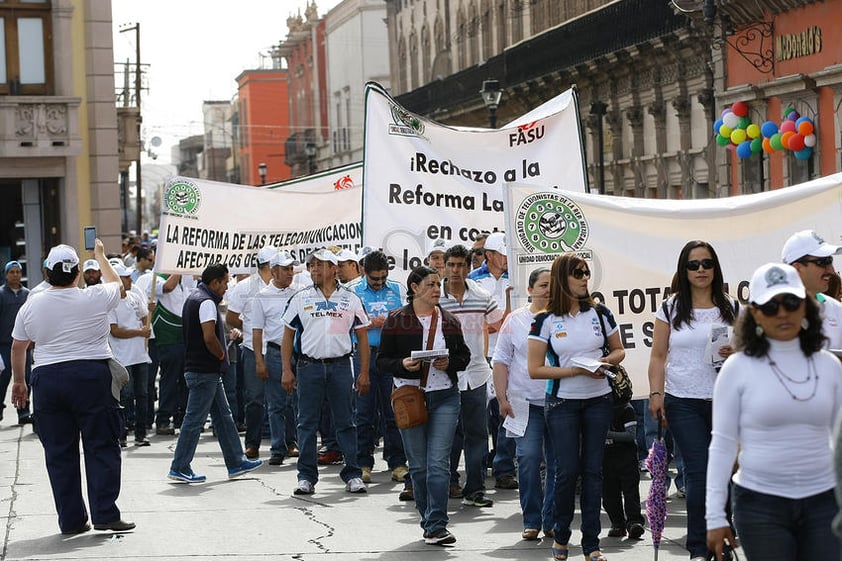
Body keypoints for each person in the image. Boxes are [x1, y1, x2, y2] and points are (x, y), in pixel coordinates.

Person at [706, 262, 842, 561]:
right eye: (770, 306)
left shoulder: (829, 366)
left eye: (791, 302)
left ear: (805, 306)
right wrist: (715, 516)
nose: (782, 313)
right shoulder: (737, 369)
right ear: (754, 312)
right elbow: (723, 444)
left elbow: (840, 442)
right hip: (759, 506)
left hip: (825, 504)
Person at [10, 241, 134, 534]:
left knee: (59, 453)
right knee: (101, 446)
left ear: (46, 273)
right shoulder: (95, 297)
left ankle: (72, 520)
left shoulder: (32, 303)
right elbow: (119, 285)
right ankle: (104, 514)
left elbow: (19, 346)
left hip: (48, 380)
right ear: (78, 273)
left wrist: (19, 382)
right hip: (91, 377)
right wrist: (101, 257)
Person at [527, 252, 624, 561]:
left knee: (593, 472)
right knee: (567, 472)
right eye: (578, 273)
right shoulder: (545, 320)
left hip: (599, 399)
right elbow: (535, 369)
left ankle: (591, 544)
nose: (585, 278)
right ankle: (562, 536)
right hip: (562, 403)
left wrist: (605, 362)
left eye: (586, 273)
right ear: (562, 279)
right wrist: (576, 370)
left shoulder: (600, 313)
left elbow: (619, 350)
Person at [647, 240, 738, 561]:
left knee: (724, 471)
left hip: (725, 400)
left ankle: (722, 540)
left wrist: (737, 350)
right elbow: (658, 356)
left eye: (706, 263)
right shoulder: (670, 308)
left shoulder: (731, 307)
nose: (701, 270)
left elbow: (749, 353)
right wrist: (656, 394)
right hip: (682, 400)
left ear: (716, 268)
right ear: (683, 270)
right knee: (700, 471)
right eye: (693, 265)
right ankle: (700, 548)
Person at [377, 265, 471, 545]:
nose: (435, 290)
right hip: (410, 396)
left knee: (439, 463)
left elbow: (464, 356)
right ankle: (428, 519)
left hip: (444, 396)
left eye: (438, 285)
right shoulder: (396, 320)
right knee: (418, 466)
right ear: (414, 287)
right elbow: (382, 360)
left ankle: (437, 524)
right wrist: (403, 365)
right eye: (430, 285)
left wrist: (449, 362)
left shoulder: (450, 320)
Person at [281, 248, 371, 496]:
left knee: (346, 422)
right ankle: (306, 477)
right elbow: (287, 335)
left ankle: (352, 474)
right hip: (308, 367)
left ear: (334, 268)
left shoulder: (351, 299)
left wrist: (364, 372)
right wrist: (286, 370)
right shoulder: (301, 298)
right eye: (312, 266)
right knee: (306, 424)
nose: (315, 270)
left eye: (321, 265)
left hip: (342, 366)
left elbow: (362, 336)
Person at [167, 263, 263, 483]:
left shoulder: (194, 298)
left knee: (224, 418)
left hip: (204, 371)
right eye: (225, 282)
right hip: (204, 371)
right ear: (215, 282)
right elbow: (209, 337)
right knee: (194, 420)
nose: (227, 287)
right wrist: (221, 355)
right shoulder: (206, 302)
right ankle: (179, 466)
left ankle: (236, 462)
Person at [492, 267, 556, 540]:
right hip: (523, 403)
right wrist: (502, 397)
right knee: (528, 459)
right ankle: (532, 519)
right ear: (529, 290)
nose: (548, 290)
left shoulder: (564, 317)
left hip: (560, 403)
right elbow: (501, 361)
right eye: (543, 285)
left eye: (552, 285)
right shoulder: (515, 321)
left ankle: (552, 519)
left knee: (558, 464)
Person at [439, 244, 504, 507]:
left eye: (460, 265)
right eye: (451, 265)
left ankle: (475, 489)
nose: (455, 270)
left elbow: (502, 323)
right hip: (442, 374)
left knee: (477, 433)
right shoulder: (434, 296)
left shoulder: (481, 295)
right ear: (444, 266)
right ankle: (446, 482)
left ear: (468, 267)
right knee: (446, 433)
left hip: (476, 372)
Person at [346, 250, 410, 492]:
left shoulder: (397, 289)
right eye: (375, 279)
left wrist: (392, 322)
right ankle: (363, 462)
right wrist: (370, 323)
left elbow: (407, 318)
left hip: (390, 356)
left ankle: (397, 462)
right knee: (363, 412)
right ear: (364, 272)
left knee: (393, 410)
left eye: (383, 277)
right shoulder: (352, 290)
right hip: (362, 355)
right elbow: (343, 324)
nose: (380, 282)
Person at [468, 231, 516, 490]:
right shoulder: (473, 281)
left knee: (505, 410)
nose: (507, 260)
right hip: (481, 353)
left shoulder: (516, 277)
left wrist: (498, 325)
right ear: (489, 255)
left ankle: (504, 467)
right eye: (502, 255)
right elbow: (480, 322)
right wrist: (495, 325)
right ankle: (481, 463)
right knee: (481, 416)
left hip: (509, 354)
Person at [226, 246, 275, 459]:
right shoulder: (243, 287)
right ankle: (252, 443)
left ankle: (286, 442)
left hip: (277, 348)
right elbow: (231, 317)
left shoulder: (286, 287)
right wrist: (251, 327)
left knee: (285, 397)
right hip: (251, 349)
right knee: (254, 398)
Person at [252, 250, 299, 465]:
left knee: (295, 402)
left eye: (292, 269)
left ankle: (292, 442)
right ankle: (277, 447)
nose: (290, 273)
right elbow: (257, 331)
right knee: (277, 403)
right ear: (273, 271)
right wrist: (259, 361)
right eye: (286, 269)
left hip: (299, 353)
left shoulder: (299, 293)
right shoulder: (262, 296)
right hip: (274, 353)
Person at [108, 264, 152, 446]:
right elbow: (115, 331)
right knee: (126, 396)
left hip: (140, 355)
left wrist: (150, 312)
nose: (129, 279)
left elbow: (144, 316)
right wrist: (139, 332)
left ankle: (141, 434)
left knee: (143, 394)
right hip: (123, 358)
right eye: (125, 277)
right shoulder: (111, 303)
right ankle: (122, 434)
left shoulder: (134, 296)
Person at [781, 229, 842, 347]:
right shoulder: (769, 313)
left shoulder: (836, 309)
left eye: (830, 260)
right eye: (823, 262)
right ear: (797, 268)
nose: (832, 271)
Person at [602, 400, 645, 540]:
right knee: (609, 494)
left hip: (626, 456)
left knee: (630, 491)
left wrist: (607, 433)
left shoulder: (626, 409)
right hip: (605, 457)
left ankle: (634, 522)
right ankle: (617, 523)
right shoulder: (597, 409)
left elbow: (630, 435)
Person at [0, 260, 32, 424]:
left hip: (24, 345)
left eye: (18, 272)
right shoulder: (1, 294)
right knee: (3, 377)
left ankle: (23, 411)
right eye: (11, 272)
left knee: (25, 377)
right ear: (6, 275)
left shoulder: (27, 294)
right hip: (5, 345)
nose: (15, 275)